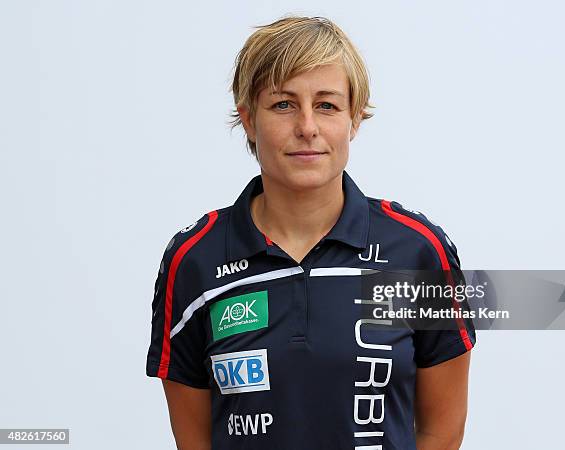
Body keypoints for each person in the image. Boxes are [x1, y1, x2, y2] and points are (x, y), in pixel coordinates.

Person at [146, 15, 476, 450]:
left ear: (354, 120)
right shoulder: (195, 259)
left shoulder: (417, 251)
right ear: (248, 119)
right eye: (283, 104)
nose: (307, 127)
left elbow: (441, 432)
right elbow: (195, 441)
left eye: (327, 105)